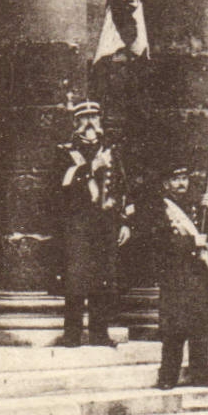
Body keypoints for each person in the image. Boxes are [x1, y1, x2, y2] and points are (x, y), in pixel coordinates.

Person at [56, 100, 131, 347]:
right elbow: (62, 187)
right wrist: (91, 168)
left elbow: (121, 189)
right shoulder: (67, 151)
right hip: (77, 225)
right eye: (84, 119)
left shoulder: (111, 151)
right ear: (76, 124)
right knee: (76, 280)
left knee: (104, 279)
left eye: (94, 118)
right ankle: (72, 334)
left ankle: (100, 333)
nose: (90, 123)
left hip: (105, 225)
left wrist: (124, 223)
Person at [150, 163, 208, 389]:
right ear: (166, 183)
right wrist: (192, 242)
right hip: (175, 274)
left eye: (184, 179)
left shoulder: (195, 207)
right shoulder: (160, 208)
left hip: (197, 273)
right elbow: (161, 241)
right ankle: (168, 377)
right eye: (175, 179)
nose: (181, 183)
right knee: (174, 328)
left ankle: (201, 374)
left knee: (201, 326)